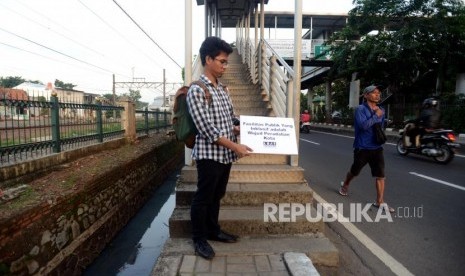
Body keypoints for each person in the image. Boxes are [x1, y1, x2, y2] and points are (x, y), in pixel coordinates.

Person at [186, 36, 253, 260]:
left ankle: (213, 230)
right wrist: (236, 146)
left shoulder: (223, 89)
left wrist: (245, 128)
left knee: (217, 194)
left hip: (224, 155)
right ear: (208, 59)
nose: (225, 66)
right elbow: (206, 129)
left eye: (226, 62)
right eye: (222, 61)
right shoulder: (197, 90)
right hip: (209, 155)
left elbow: (228, 120)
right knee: (203, 197)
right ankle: (199, 239)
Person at [338, 85, 394, 213]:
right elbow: (363, 126)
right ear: (366, 95)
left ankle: (379, 201)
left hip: (377, 147)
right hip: (362, 147)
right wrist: (376, 116)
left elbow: (380, 127)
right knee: (355, 171)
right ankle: (345, 183)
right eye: (374, 93)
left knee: (381, 175)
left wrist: (378, 116)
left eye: (378, 93)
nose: (377, 95)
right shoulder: (360, 109)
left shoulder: (381, 110)